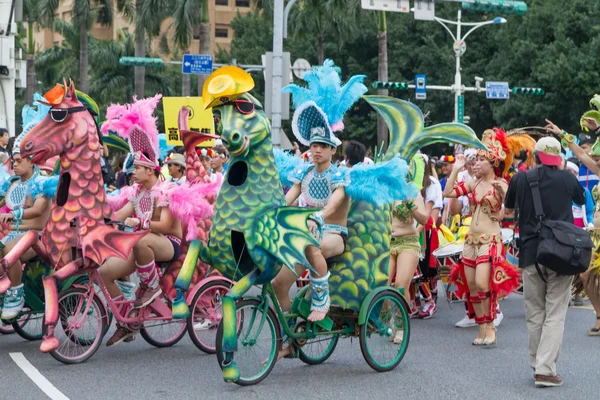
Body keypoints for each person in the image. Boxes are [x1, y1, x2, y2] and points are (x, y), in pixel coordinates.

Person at [99, 96, 183, 347]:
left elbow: (167, 226)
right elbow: (120, 214)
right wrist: (100, 220)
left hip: (168, 244)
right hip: (141, 245)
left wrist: (141, 224)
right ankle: (127, 322)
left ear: (150, 170)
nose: (131, 172)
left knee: (140, 239)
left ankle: (152, 286)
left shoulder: (165, 190)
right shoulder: (135, 193)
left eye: (136, 168)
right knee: (103, 272)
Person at [505, 132, 585, 388]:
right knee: (555, 313)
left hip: (530, 253)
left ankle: (538, 364)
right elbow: (581, 199)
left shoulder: (520, 178)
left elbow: (507, 210)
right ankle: (545, 368)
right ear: (558, 158)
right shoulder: (567, 179)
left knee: (535, 312)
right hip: (561, 253)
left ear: (536, 156)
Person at [443, 128, 519, 347]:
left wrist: (503, 193)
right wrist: (456, 169)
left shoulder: (501, 184)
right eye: (475, 160)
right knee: (472, 287)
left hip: (490, 240)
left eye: (481, 160)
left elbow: (512, 208)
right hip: (470, 241)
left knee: (483, 284)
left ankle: (491, 326)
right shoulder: (472, 184)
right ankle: (482, 326)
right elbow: (448, 193)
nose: (476, 164)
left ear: (492, 162)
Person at [545, 118, 600, 339]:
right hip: (596, 234)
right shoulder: (598, 170)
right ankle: (598, 315)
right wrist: (562, 133)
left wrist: (597, 129)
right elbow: (580, 154)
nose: (595, 158)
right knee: (586, 274)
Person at [0, 138, 54, 319]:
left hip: (39, 236)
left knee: (8, 248)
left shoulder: (43, 182)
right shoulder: (12, 183)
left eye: (18, 161)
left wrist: (13, 216)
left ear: (31, 161)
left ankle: (16, 293)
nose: (14, 164)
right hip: (16, 232)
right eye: (13, 161)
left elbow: (37, 210)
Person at [389, 155, 430, 323]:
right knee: (380, 285)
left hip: (408, 242)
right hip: (388, 243)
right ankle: (385, 322)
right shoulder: (386, 191)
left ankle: (400, 324)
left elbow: (424, 220)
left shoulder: (412, 191)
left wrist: (410, 205)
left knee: (400, 285)